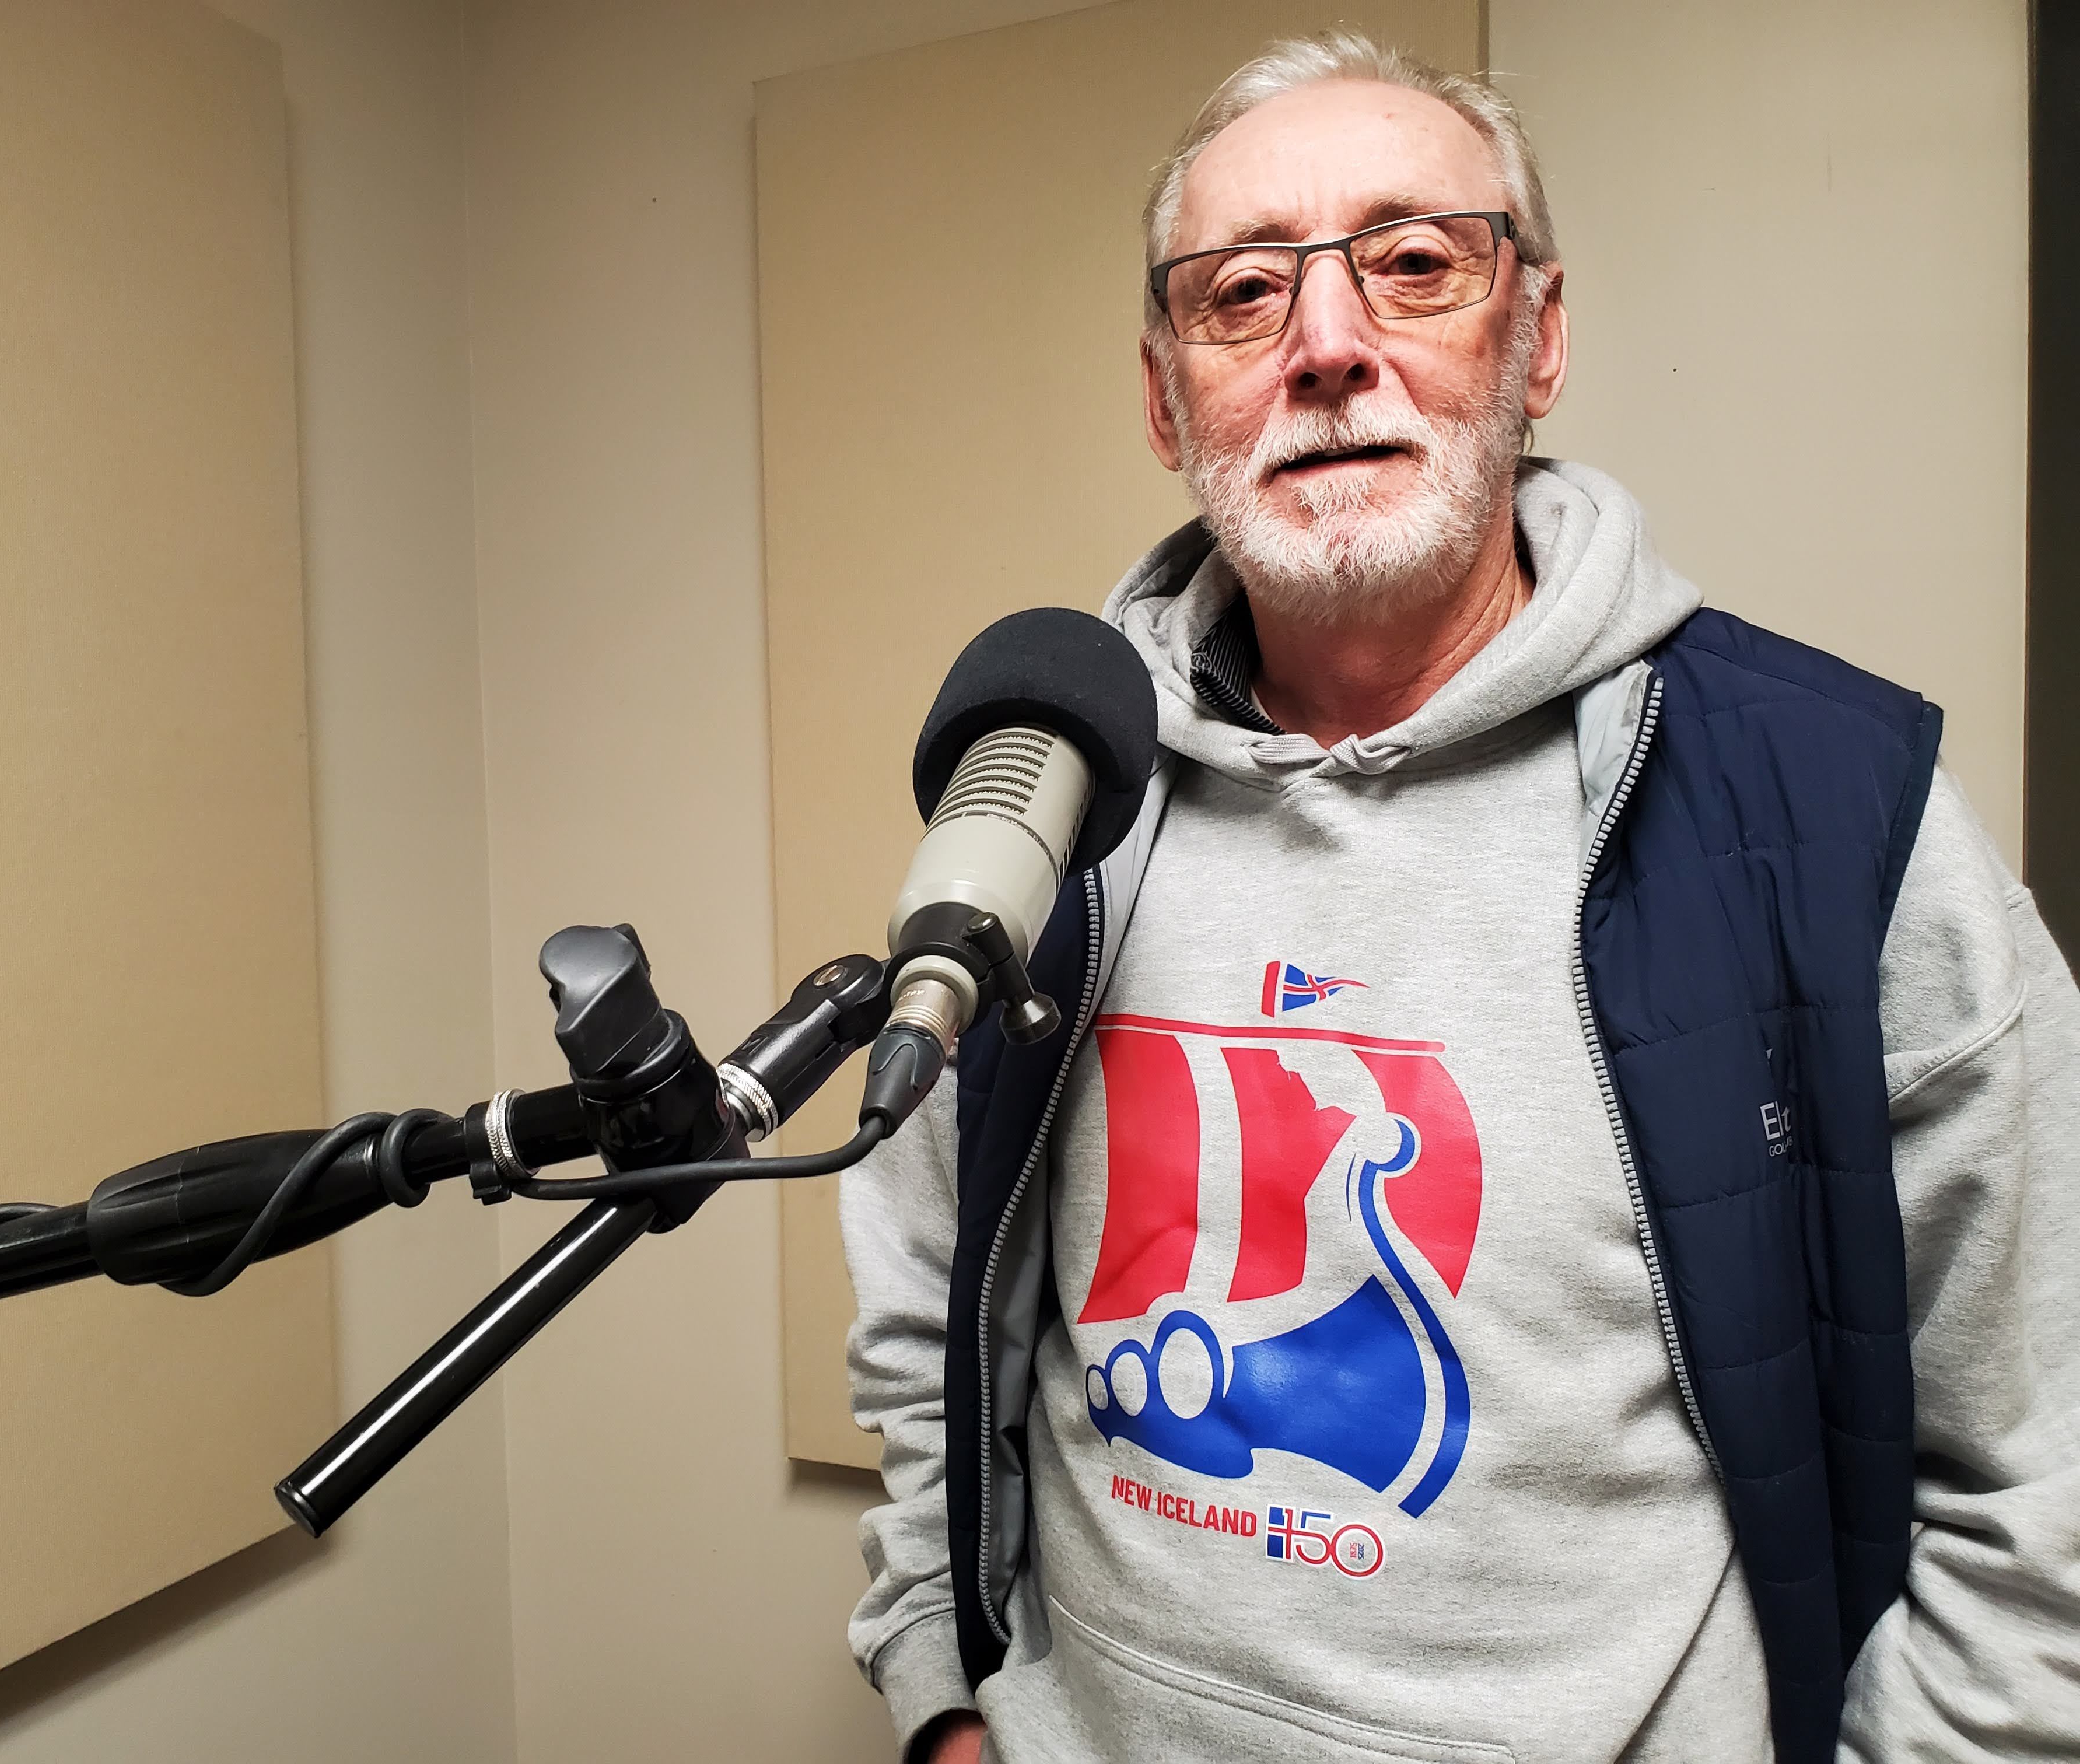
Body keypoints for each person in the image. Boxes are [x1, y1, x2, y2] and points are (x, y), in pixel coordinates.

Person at [841, 30, 2080, 1764]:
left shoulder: (1832, 810)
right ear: (1162, 394)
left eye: (1414, 265)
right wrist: (945, 1703)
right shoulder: (1051, 789)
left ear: (1541, 336)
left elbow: (2046, 1468)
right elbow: (922, 1311)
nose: (1329, 346)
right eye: (1240, 296)